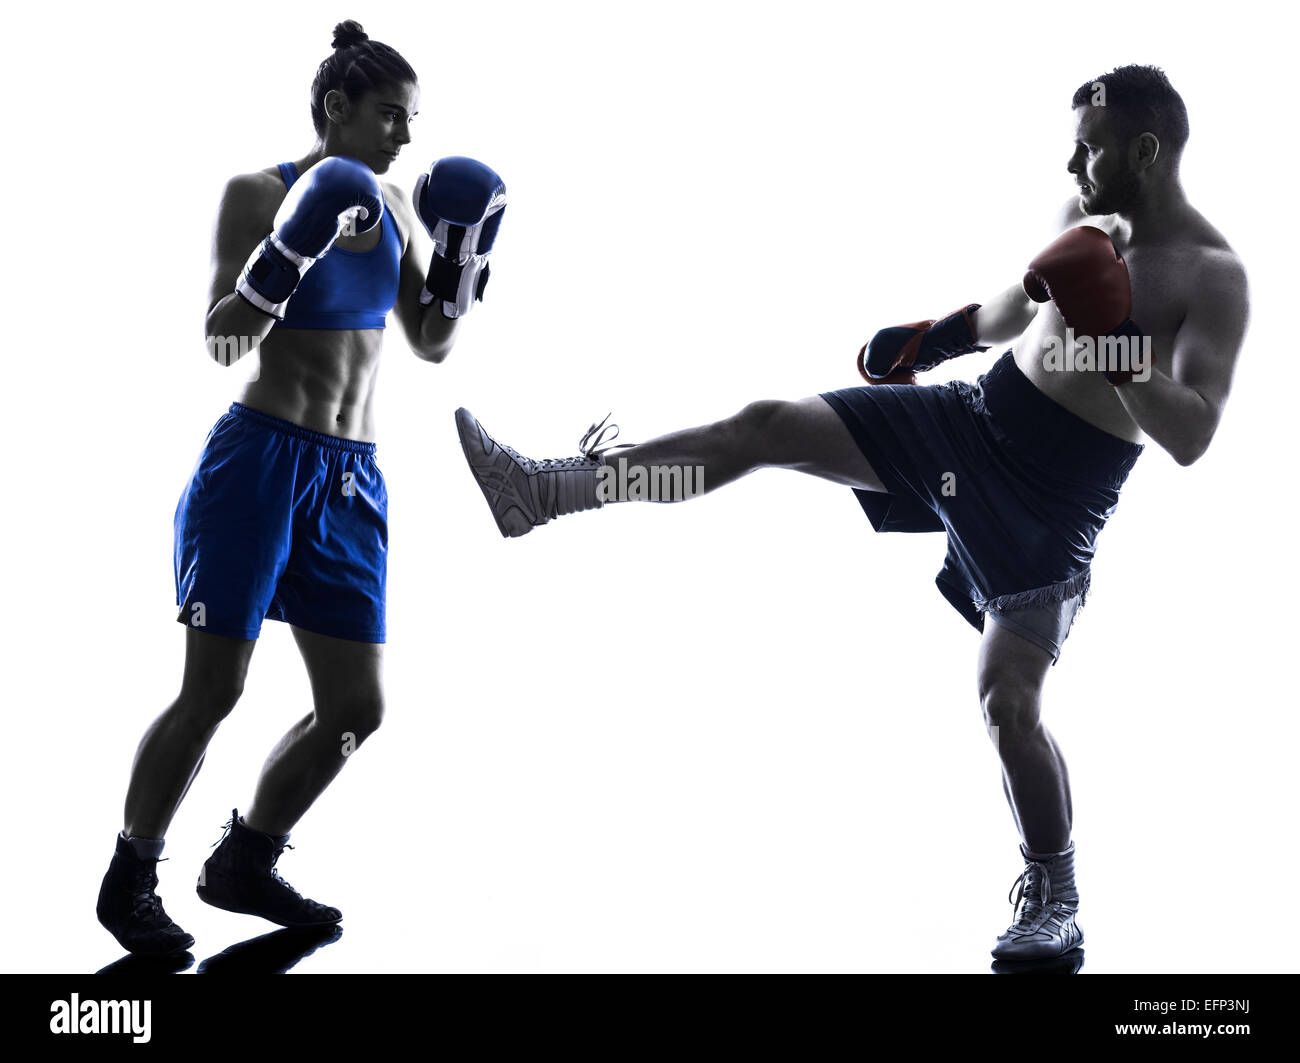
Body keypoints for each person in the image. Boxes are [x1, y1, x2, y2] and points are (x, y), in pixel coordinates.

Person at [453, 65, 1248, 960]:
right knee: (766, 427)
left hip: (1053, 506)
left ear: (1145, 151)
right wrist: (928, 339)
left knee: (1007, 706)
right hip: (969, 425)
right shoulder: (1086, 219)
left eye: (1091, 148)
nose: (1071, 163)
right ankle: (545, 492)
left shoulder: (1213, 277)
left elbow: (1192, 434)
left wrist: (1119, 349)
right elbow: (1013, 312)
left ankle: (1055, 896)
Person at [97, 19, 506, 956]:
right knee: (215, 689)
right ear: (338, 109)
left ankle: (244, 861)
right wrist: (296, 245)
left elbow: (431, 343)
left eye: (413, 120)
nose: (405, 137)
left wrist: (465, 261)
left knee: (356, 709)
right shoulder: (261, 192)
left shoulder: (401, 205)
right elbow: (223, 339)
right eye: (391, 117)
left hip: (351, 479)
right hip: (260, 462)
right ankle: (130, 874)